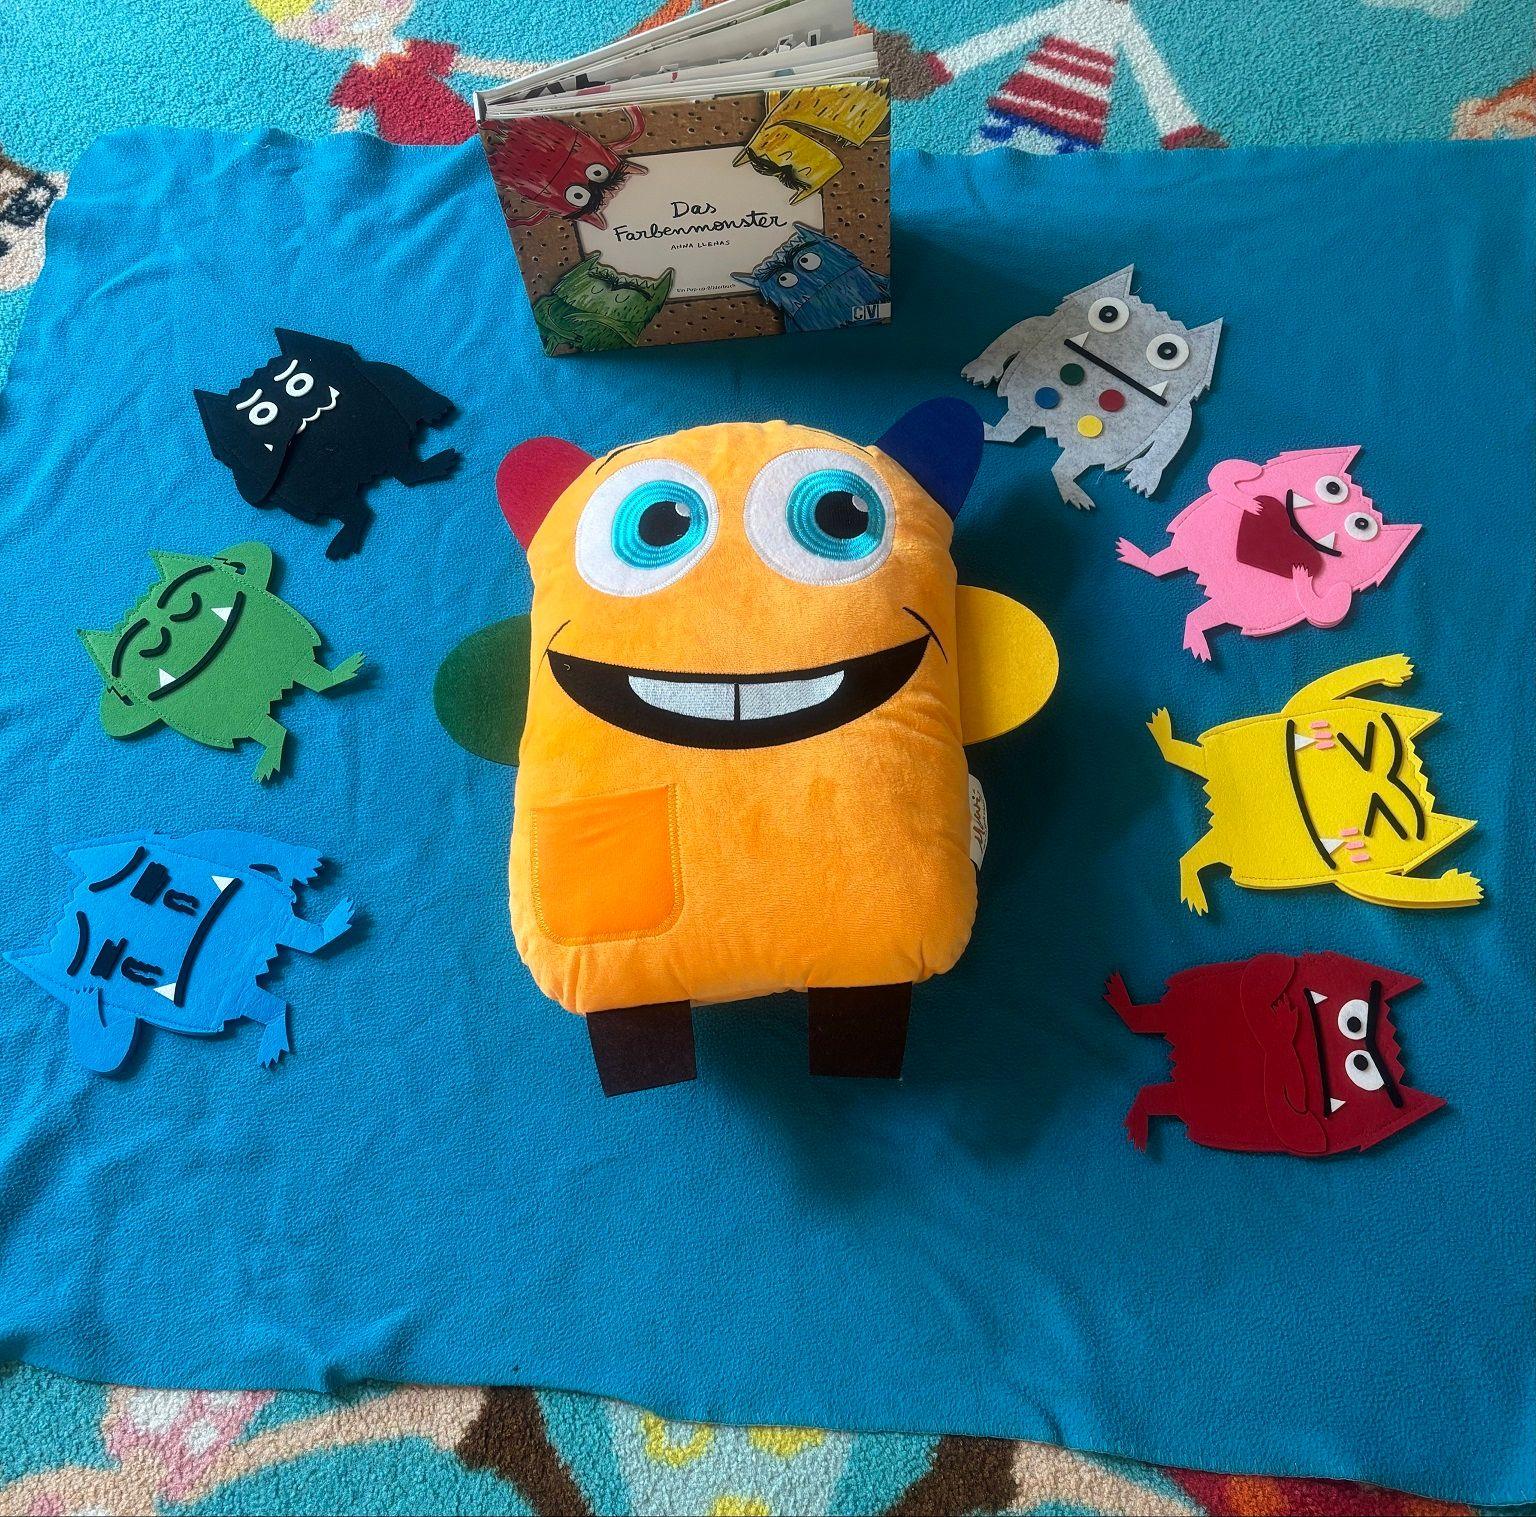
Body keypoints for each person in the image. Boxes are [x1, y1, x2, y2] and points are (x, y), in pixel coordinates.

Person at [252, 0, 537, 146]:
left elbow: (471, 65)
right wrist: (336, 152)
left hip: (452, 117)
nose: (359, 12)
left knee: (482, 149)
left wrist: (528, 73)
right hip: (404, 135)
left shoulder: (413, 50)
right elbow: (347, 122)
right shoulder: (360, 76)